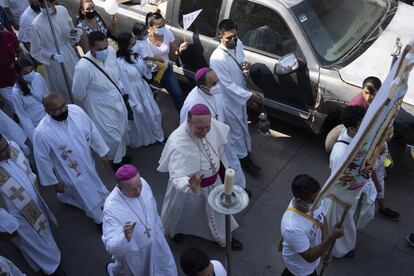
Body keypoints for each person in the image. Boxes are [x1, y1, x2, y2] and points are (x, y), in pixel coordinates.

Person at [158, 103, 243, 250]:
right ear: (189, 122)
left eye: (207, 127)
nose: (205, 132)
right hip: (190, 189)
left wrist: (223, 167)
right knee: (181, 213)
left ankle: (223, 237)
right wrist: (189, 184)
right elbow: (176, 176)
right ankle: (175, 231)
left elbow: (218, 146)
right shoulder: (178, 142)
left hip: (213, 183)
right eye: (199, 129)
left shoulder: (209, 124)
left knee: (217, 212)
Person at [33, 94, 110, 224]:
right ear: (47, 111)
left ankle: (104, 202)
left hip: (86, 160)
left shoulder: (76, 111)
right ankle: (99, 219)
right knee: (84, 192)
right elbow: (42, 159)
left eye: (63, 105)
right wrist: (54, 182)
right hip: (70, 171)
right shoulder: (41, 132)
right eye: (56, 109)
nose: (62, 110)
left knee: (94, 181)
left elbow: (91, 129)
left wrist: (102, 151)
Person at [0, 133, 65, 276]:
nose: (8, 152)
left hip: (35, 203)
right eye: (2, 151)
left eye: (6, 146)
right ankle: (52, 269)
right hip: (17, 216)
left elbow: (27, 170)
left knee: (39, 239)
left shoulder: (12, 147)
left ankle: (46, 260)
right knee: (35, 243)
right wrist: (7, 226)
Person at [210, 19, 264, 177]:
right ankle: (243, 161)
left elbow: (240, 59)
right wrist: (249, 96)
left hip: (240, 94)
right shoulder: (217, 58)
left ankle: (245, 152)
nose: (233, 40)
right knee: (236, 131)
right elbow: (226, 85)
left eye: (235, 36)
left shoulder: (237, 43)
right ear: (221, 37)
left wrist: (244, 64)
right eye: (229, 38)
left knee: (243, 127)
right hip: (229, 100)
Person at [180, 67, 247, 192]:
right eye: (214, 83)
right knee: (216, 169)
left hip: (221, 135)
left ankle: (238, 188)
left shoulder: (214, 90)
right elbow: (186, 128)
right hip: (205, 141)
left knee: (232, 162)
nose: (218, 84)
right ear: (203, 87)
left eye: (217, 81)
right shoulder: (192, 103)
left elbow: (220, 110)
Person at [102, 164, 177, 276]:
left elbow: (152, 208)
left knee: (166, 267)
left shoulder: (142, 183)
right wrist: (124, 237)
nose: (138, 192)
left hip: (156, 240)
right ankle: (113, 269)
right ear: (119, 187)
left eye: (139, 186)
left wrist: (159, 228)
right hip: (137, 251)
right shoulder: (112, 208)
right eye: (132, 190)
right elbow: (110, 244)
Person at [325, 105, 377, 258]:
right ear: (353, 129)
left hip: (354, 192)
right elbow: (339, 180)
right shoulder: (340, 153)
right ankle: (338, 250)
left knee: (349, 221)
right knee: (342, 224)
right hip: (342, 196)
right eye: (363, 125)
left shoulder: (352, 136)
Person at [72, 31, 128, 167]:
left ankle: (121, 157)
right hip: (99, 107)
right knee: (111, 136)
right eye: (100, 49)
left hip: (116, 98)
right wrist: (96, 98)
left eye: (105, 47)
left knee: (122, 130)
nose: (104, 51)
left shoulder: (111, 53)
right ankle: (116, 164)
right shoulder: (83, 67)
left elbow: (115, 74)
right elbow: (77, 92)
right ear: (91, 47)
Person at [281, 174, 344, 276]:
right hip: (300, 270)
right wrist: (331, 238)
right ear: (299, 201)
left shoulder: (314, 199)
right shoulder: (291, 227)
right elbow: (309, 256)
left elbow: (322, 221)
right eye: (314, 201)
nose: (319, 202)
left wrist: (326, 249)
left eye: (319, 196)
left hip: (311, 263)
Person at [116, 32, 164, 147]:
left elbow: (144, 72)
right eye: (131, 36)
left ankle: (158, 135)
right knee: (142, 117)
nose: (134, 37)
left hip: (142, 88)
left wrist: (150, 68)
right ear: (128, 43)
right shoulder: (119, 62)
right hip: (134, 92)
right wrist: (134, 102)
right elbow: (125, 83)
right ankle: (150, 138)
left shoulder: (135, 54)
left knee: (154, 113)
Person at [30, 0, 79, 102]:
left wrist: (74, 35)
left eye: (49, 2)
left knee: (77, 82)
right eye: (43, 3)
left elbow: (70, 29)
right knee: (63, 88)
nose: (46, 5)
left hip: (70, 54)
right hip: (56, 62)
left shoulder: (63, 11)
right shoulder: (36, 24)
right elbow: (35, 51)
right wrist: (51, 56)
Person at [146, 12, 187, 111]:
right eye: (158, 27)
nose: (162, 28)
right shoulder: (144, 39)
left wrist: (180, 49)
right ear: (150, 27)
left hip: (166, 70)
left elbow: (175, 51)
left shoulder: (167, 33)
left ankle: (184, 119)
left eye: (163, 25)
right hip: (150, 73)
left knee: (178, 94)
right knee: (151, 100)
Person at [12, 55, 47, 143]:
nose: (30, 74)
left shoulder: (38, 76)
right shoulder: (16, 92)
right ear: (18, 75)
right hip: (37, 125)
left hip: (49, 117)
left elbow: (47, 94)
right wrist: (34, 137)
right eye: (26, 73)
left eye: (31, 70)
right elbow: (23, 117)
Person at [370, 126, 400, 220]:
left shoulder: (384, 142)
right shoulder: (373, 147)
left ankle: (382, 208)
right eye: (389, 133)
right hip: (371, 175)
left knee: (380, 190)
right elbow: (371, 170)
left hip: (379, 170)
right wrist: (376, 184)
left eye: (392, 132)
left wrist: (389, 159)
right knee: (369, 194)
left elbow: (387, 151)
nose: (391, 135)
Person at [132, 22, 167, 87]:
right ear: (138, 35)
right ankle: (156, 81)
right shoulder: (140, 45)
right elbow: (146, 57)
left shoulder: (141, 40)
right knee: (163, 66)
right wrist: (158, 59)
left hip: (150, 61)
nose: (147, 34)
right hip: (148, 63)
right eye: (145, 33)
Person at [0, 28, 19, 113]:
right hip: (3, 85)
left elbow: (19, 51)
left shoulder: (8, 36)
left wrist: (17, 63)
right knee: (17, 109)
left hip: (18, 80)